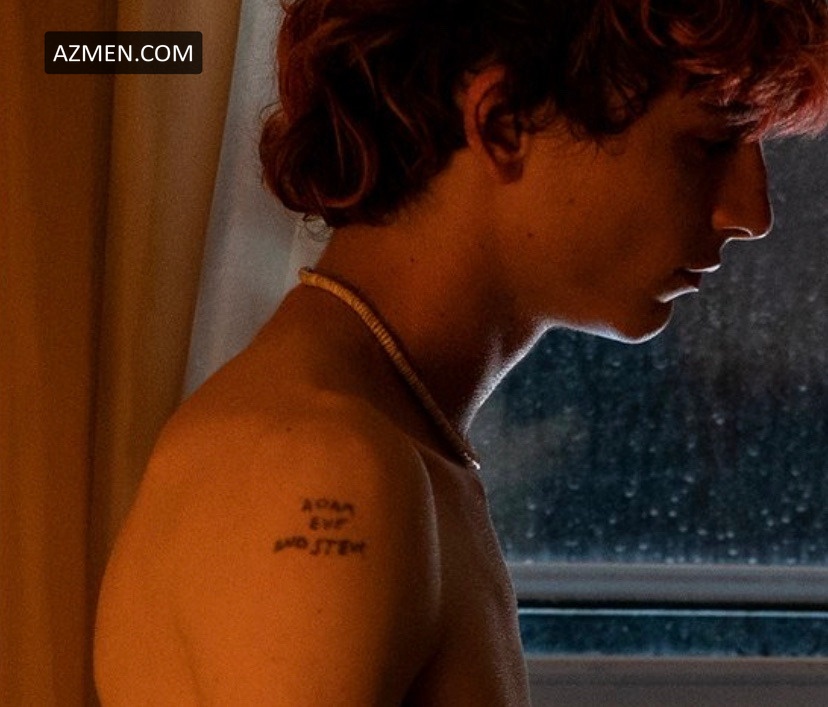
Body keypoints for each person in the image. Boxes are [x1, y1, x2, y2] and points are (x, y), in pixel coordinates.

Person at [94, 1, 828, 704]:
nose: (752, 213)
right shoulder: (326, 470)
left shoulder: (391, 442)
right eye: (708, 145)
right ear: (504, 124)